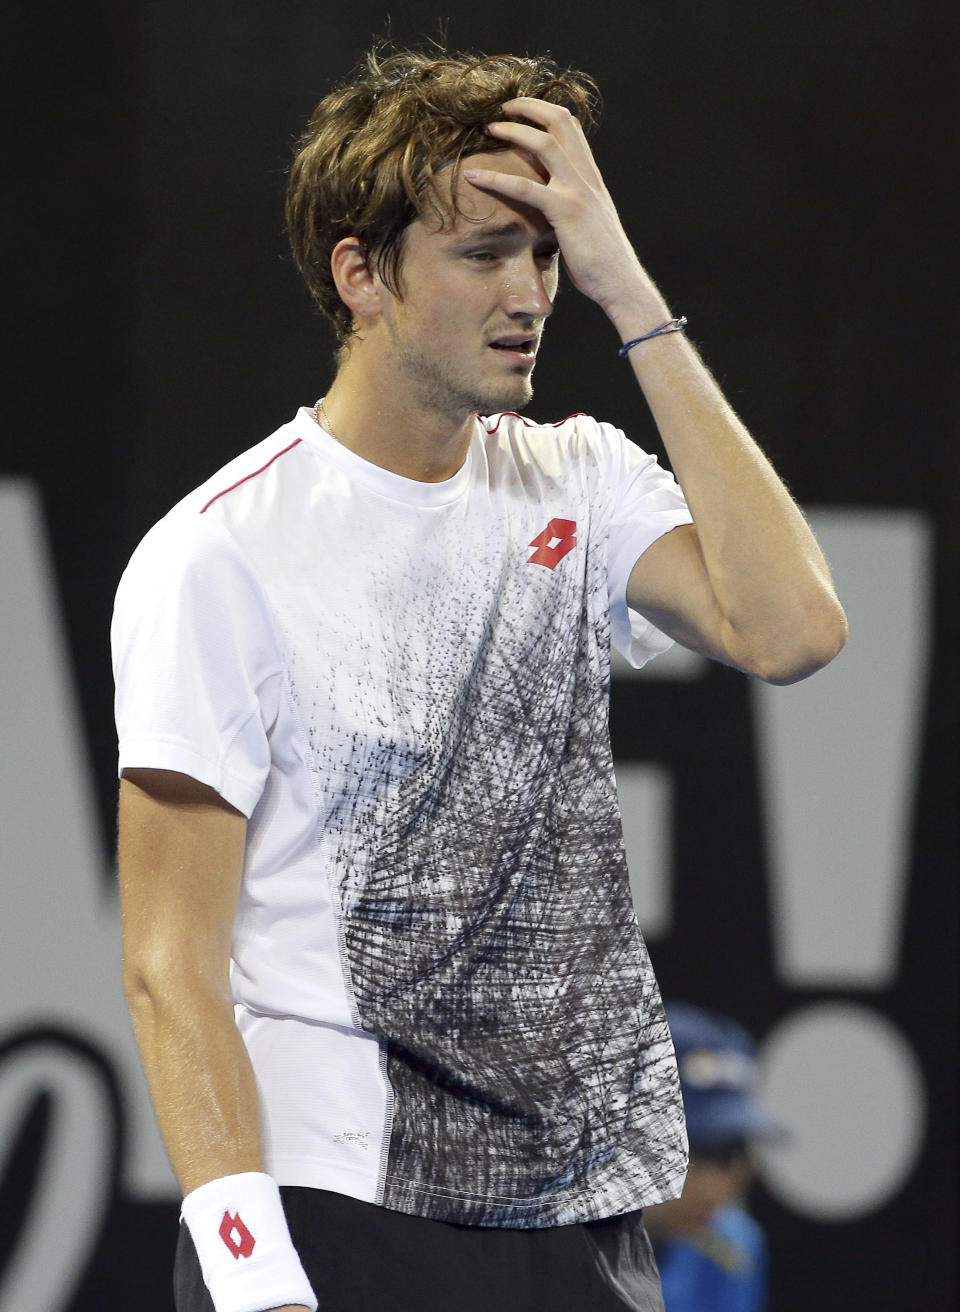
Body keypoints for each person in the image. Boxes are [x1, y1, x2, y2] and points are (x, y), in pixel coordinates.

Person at [111, 44, 847, 1312]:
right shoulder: (216, 555)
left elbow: (791, 632)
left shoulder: (581, 475)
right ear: (362, 276)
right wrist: (252, 1273)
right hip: (335, 1201)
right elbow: (168, 963)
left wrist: (630, 290)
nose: (532, 291)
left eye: (547, 251)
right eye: (483, 252)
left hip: (578, 1209)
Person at [644, 1004, 780, 1312]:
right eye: (691, 1150)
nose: (714, 1188)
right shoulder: (542, 1246)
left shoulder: (732, 1249)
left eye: (730, 1154)